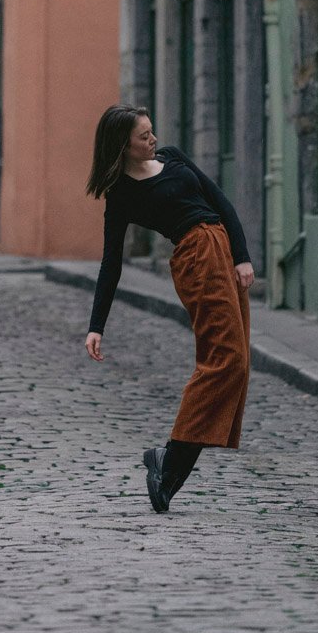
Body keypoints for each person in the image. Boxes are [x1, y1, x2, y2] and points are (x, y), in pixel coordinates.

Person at [85, 105, 254, 514]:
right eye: (143, 136)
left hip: (222, 250)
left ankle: (169, 469)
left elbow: (220, 201)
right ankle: (171, 459)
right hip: (196, 259)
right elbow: (112, 262)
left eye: (151, 131)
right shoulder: (121, 194)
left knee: (237, 362)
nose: (153, 139)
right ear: (123, 147)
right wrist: (96, 325)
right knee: (225, 360)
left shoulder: (174, 157)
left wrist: (242, 255)